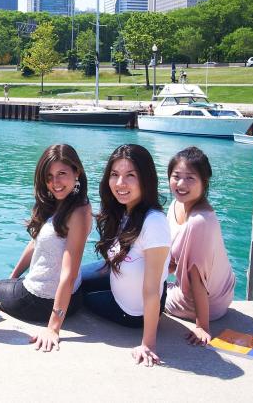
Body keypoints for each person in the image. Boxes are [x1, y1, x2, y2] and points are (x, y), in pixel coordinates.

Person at [0, 144, 92, 352]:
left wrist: (53, 328)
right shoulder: (67, 203)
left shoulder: (78, 213)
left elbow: (69, 273)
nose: (55, 183)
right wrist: (13, 277)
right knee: (4, 284)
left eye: (62, 174)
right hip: (70, 298)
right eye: (49, 177)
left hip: (41, 301)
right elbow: (35, 242)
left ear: (77, 172)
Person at [79, 144, 170, 367]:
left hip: (132, 312)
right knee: (73, 279)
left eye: (130, 175)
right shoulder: (125, 210)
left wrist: (148, 344)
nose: (120, 183)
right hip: (118, 276)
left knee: (76, 297)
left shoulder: (154, 222)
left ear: (146, 179)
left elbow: (152, 289)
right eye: (115, 175)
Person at [165, 147, 234, 345]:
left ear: (205, 182)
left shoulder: (199, 221)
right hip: (214, 292)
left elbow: (197, 277)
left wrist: (202, 326)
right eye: (176, 176)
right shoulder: (176, 205)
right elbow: (174, 261)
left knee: (137, 295)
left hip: (202, 303)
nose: (181, 184)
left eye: (190, 178)